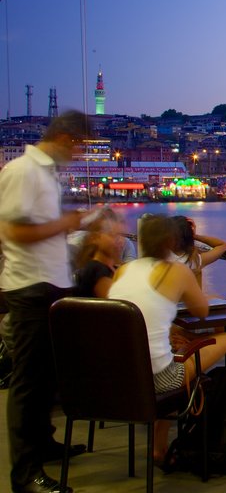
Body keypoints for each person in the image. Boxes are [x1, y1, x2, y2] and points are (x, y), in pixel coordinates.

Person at [0, 110, 92, 493]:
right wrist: (66, 224)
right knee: (29, 382)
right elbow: (13, 229)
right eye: (81, 147)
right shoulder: (22, 171)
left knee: (47, 376)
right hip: (30, 289)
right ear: (67, 138)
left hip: (50, 287)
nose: (82, 155)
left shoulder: (44, 173)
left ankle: (44, 444)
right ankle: (25, 474)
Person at [107, 214, 226, 464]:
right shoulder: (178, 270)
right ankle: (199, 404)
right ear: (171, 241)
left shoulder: (122, 270)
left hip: (120, 377)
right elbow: (202, 312)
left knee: (167, 357)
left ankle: (161, 445)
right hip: (157, 380)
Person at [71, 209, 127, 298]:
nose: (119, 240)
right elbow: (116, 305)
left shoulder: (110, 268)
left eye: (122, 235)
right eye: (112, 235)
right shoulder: (97, 270)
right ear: (95, 238)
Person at [169, 215, 226, 288]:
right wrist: (195, 236)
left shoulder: (158, 257)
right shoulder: (195, 261)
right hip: (191, 299)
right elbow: (222, 245)